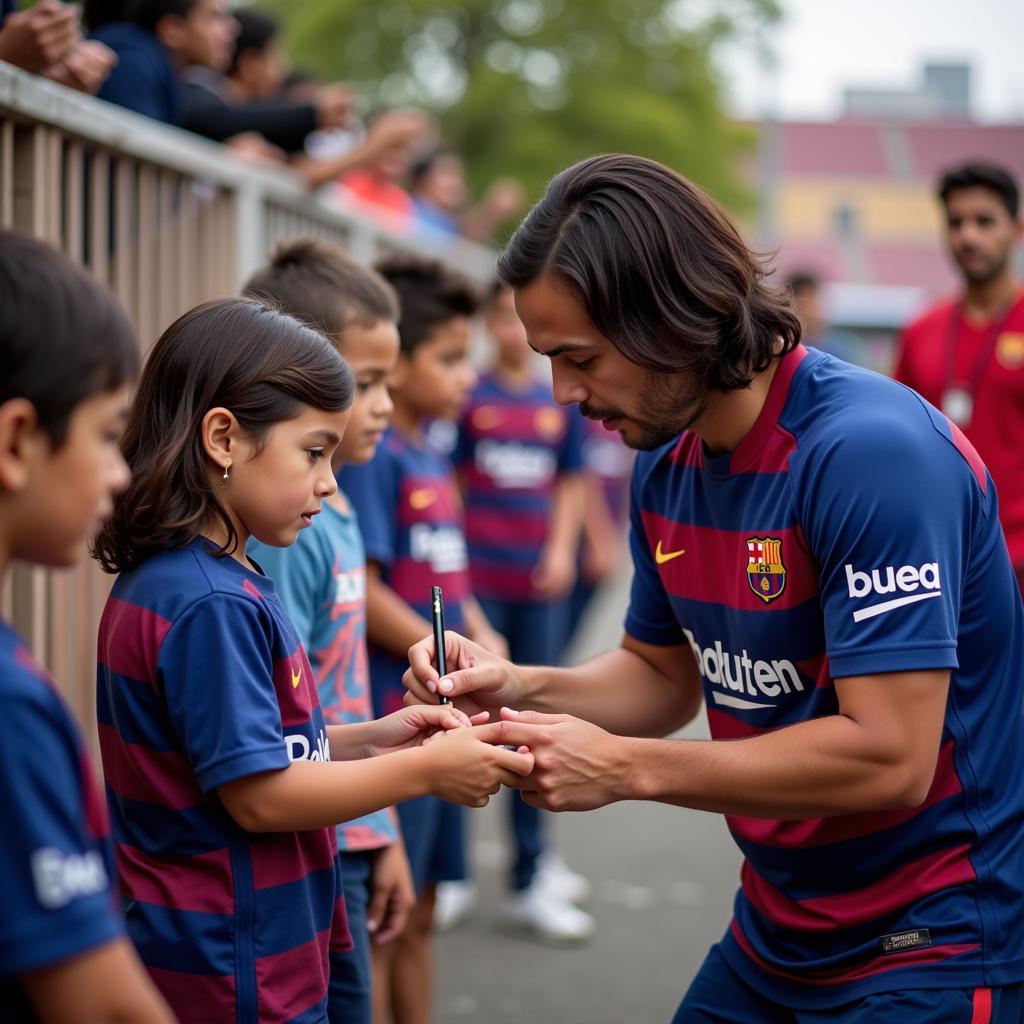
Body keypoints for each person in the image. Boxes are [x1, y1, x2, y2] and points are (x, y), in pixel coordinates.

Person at [404, 154, 1024, 1022]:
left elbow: (891, 759)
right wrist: (517, 685)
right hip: (776, 934)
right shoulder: (664, 459)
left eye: (579, 357)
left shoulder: (872, 453)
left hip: (932, 942)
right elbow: (660, 679)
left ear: (670, 319)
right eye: (549, 360)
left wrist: (623, 769)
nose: (563, 392)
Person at [92, 297, 531, 1022]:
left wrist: (382, 736)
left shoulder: (201, 580)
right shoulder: (210, 603)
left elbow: (258, 752)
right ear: (225, 438)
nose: (329, 482)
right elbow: (260, 795)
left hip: (236, 952)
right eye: (314, 452)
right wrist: (424, 772)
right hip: (231, 967)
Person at [241, 239, 426, 1024]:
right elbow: (286, 724)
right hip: (314, 831)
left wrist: (384, 833)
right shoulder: (292, 533)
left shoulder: (334, 507)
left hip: (351, 820)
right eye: (368, 383)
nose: (384, 404)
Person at [0, 230, 173, 1022]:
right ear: (17, 441)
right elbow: (103, 1007)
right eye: (108, 434)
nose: (120, 472)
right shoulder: (10, 708)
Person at [338, 254, 505, 1024]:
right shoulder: (375, 461)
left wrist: (480, 632)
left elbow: (447, 577)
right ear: (395, 364)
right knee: (384, 915)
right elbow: (365, 590)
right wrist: (449, 655)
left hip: (443, 715)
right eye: (448, 358)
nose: (465, 376)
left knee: (426, 904)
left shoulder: (434, 448)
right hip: (395, 716)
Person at [442, 280, 593, 943]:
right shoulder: (468, 397)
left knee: (533, 723)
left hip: (538, 586)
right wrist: (458, 580)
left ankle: (532, 872)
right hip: (480, 589)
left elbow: (572, 480)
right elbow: (446, 485)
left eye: (517, 317)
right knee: (454, 722)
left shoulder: (555, 401)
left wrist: (563, 549)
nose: (511, 329)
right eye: (499, 316)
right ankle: (450, 874)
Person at [894, 162, 1024, 592]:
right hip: (942, 564)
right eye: (956, 223)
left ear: (1017, 229)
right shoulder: (920, 330)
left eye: (984, 221)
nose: (968, 236)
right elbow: (902, 445)